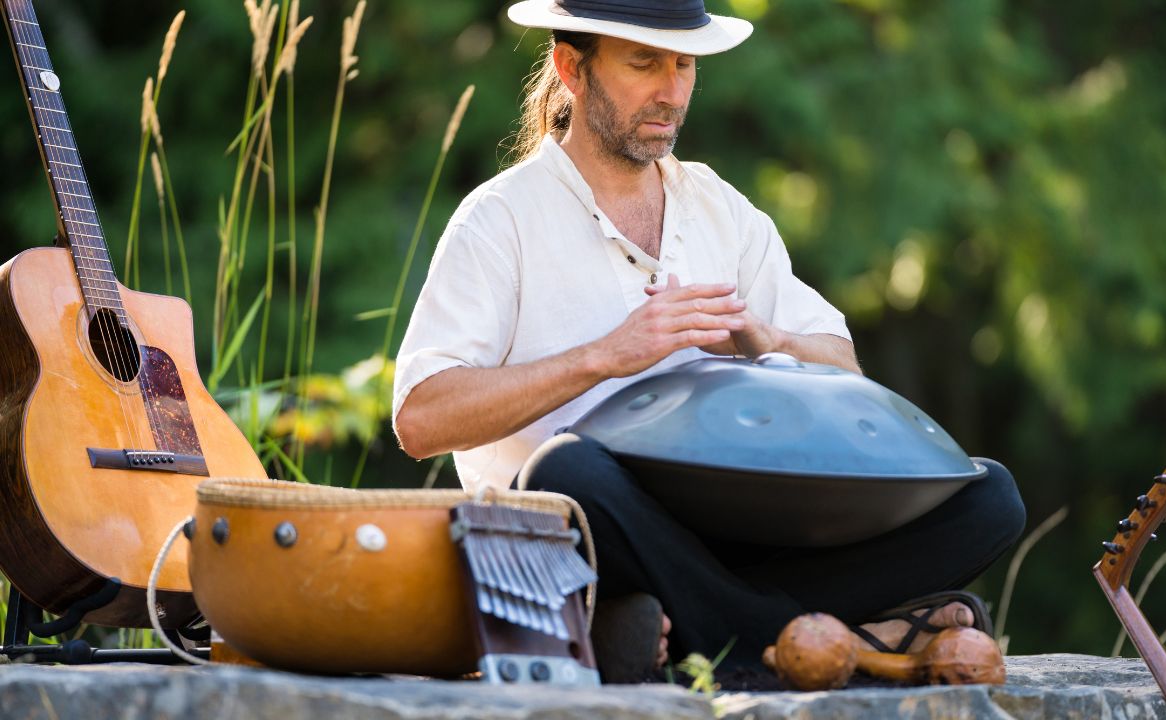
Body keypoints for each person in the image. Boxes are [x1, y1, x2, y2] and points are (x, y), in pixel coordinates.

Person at [393, 0, 1025, 682]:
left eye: (685, 64)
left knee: (988, 496)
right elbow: (422, 418)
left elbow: (843, 366)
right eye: (644, 63)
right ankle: (822, 646)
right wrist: (603, 357)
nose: (672, 91)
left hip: (733, 538)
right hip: (580, 541)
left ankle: (721, 634)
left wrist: (764, 337)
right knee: (565, 471)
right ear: (570, 68)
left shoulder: (719, 209)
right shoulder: (500, 219)